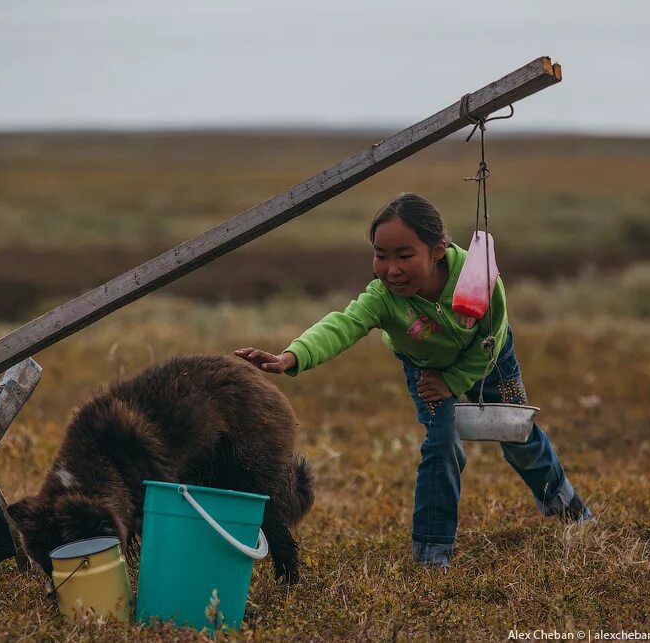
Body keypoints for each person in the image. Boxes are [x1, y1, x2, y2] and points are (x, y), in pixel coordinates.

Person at [235, 192, 592, 568]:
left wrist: (454, 380)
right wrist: (291, 356)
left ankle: (565, 504)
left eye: (404, 256)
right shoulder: (383, 297)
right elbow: (342, 324)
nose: (391, 269)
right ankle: (432, 554)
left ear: (437, 250)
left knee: (517, 433)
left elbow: (493, 335)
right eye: (381, 255)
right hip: (426, 369)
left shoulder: (478, 278)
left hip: (488, 358)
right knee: (443, 447)